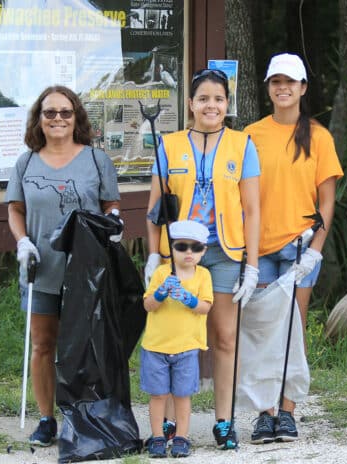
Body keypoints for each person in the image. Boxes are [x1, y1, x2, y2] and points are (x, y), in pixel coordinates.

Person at [144, 68, 261, 450]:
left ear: (228, 104)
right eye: (204, 98)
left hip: (225, 253)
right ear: (191, 104)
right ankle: (170, 426)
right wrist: (152, 256)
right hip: (178, 256)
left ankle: (224, 421)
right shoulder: (169, 143)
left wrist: (253, 263)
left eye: (219, 99)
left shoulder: (243, 145)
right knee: (174, 339)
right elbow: (154, 208)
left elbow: (252, 210)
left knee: (225, 338)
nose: (211, 105)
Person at [6, 85, 121, 447]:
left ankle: (82, 415)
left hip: (84, 269)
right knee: (42, 344)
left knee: (83, 345)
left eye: (65, 112)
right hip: (41, 268)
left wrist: (114, 225)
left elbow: (110, 206)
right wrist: (22, 241)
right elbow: (15, 209)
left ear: (77, 118)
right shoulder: (26, 161)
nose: (57, 119)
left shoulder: (96, 160)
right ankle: (46, 418)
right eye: (49, 112)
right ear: (39, 119)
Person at [243, 53, 343, 444]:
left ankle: (287, 411)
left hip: (300, 247)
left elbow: (327, 201)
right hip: (260, 247)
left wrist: (316, 249)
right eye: (275, 81)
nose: (283, 88)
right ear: (268, 87)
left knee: (292, 331)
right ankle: (265, 413)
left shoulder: (318, 136)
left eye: (291, 82)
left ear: (303, 87)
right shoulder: (250, 133)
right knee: (263, 330)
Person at [141, 220, 213, 458]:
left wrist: (188, 299)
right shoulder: (162, 272)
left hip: (187, 347)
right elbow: (148, 305)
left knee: (182, 395)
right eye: (182, 247)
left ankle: (182, 437)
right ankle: (158, 437)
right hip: (156, 346)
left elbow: (205, 307)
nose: (189, 252)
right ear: (172, 248)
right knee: (158, 395)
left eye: (195, 247)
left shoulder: (203, 276)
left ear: (204, 250)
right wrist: (161, 292)